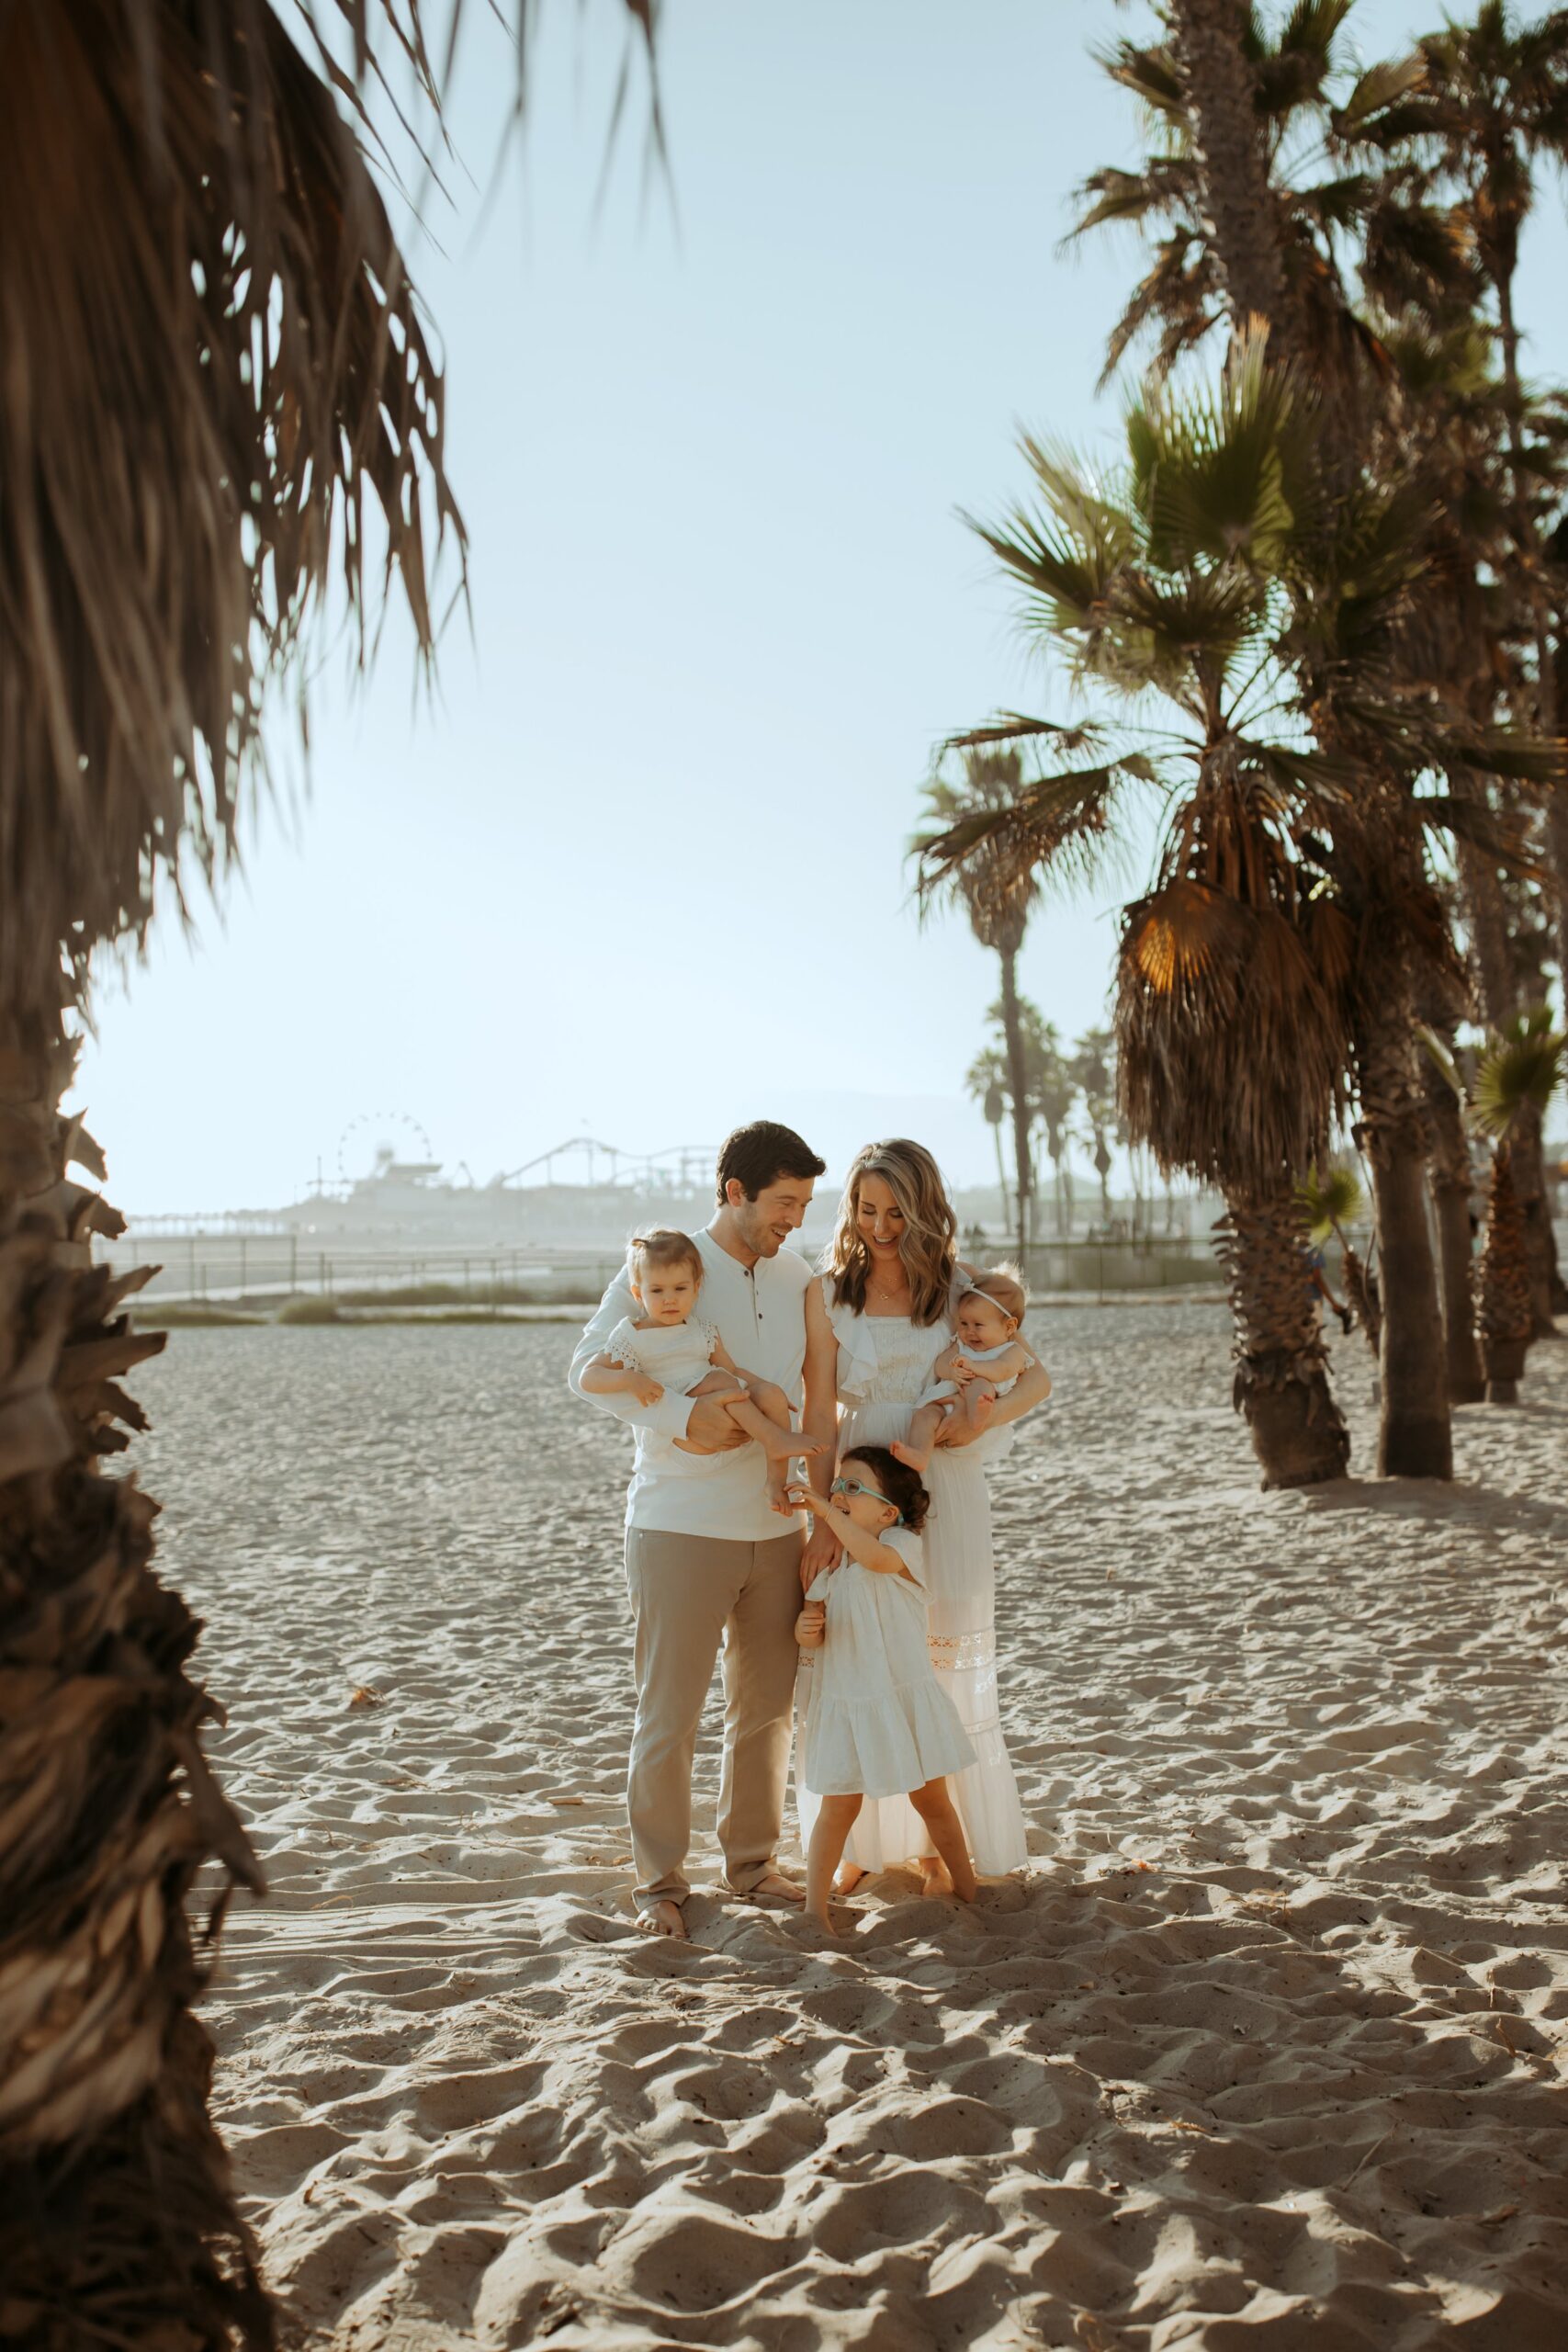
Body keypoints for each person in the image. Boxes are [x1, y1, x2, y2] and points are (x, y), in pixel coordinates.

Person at [569, 1121, 835, 1942]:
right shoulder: (665, 1261)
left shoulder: (796, 1277)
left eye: (803, 1204)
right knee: (670, 1713)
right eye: (783, 1202)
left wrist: (819, 1511)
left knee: (764, 1711)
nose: (794, 1218)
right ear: (735, 1192)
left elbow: (813, 1398)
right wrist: (685, 1419)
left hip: (774, 1525)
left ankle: (751, 1863)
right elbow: (586, 1369)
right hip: (676, 1523)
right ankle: (659, 1881)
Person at [796, 1138, 1052, 1895]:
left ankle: (941, 1841)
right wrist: (820, 1523)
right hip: (858, 1488)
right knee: (862, 1655)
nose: (879, 1225)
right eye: (867, 1209)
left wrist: (982, 1419)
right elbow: (816, 1407)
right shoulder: (826, 1293)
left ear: (925, 1208)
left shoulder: (961, 1290)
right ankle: (863, 1843)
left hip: (946, 1479)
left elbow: (1034, 1375)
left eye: (896, 1210)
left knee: (938, 1658)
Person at [792, 1448, 977, 1934]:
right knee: (838, 1807)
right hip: (850, 1703)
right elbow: (814, 1632)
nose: (838, 1494)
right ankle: (815, 1908)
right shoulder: (832, 1570)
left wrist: (825, 1511)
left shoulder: (900, 1548)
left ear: (889, 1512)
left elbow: (874, 1559)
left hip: (902, 1697)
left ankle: (967, 1884)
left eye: (853, 1488)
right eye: (837, 1486)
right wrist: (806, 1629)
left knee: (932, 1800)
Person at [580, 1227, 826, 1509]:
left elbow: (732, 1370)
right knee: (720, 1382)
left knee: (770, 1394)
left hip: (719, 1397)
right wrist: (629, 1380)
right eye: (657, 1290)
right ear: (638, 1294)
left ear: (696, 1288)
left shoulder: (702, 1331)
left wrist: (766, 1389)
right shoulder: (632, 1334)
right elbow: (589, 1377)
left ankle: (775, 1483)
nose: (669, 1299)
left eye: (679, 1289)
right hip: (682, 1426)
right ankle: (774, 1439)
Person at [891, 1263, 1032, 1474]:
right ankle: (919, 1453)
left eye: (978, 1325)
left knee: (980, 1385)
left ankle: (978, 1416)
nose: (969, 1331)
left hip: (981, 1395)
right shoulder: (961, 1343)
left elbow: (1003, 1370)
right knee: (924, 1415)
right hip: (946, 1396)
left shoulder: (1013, 1350)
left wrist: (974, 1366)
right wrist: (951, 1371)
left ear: (1009, 1326)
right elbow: (941, 1363)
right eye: (963, 1323)